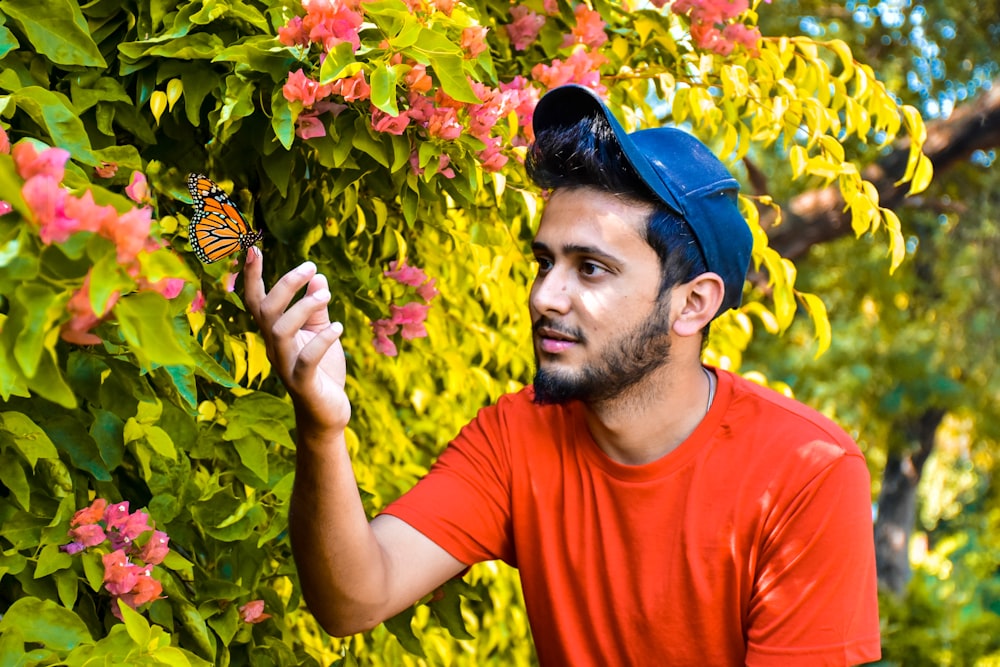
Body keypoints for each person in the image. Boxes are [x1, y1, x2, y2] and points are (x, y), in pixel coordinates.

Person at [244, 84, 882, 666]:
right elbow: (355, 598)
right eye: (544, 262)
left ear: (693, 304)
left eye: (591, 268)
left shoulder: (807, 471)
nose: (544, 296)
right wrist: (321, 428)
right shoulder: (516, 435)